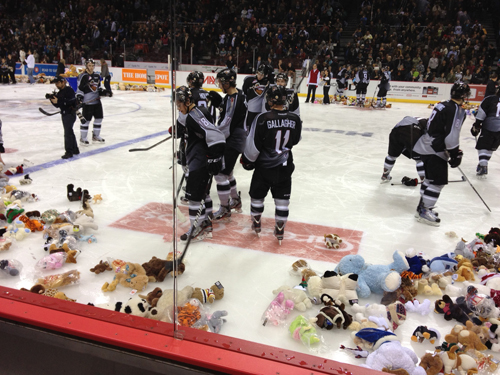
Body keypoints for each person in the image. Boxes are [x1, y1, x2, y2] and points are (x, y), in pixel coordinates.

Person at [241, 85, 302, 244]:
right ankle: (280, 228)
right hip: (284, 167)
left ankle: (256, 223)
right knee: (282, 199)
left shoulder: (262, 118)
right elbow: (296, 140)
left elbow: (253, 145)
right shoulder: (294, 118)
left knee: (257, 195)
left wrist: (247, 160)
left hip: (264, 167)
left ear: (270, 100)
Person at [413, 82, 470, 226]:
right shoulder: (456, 110)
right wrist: (455, 153)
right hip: (435, 149)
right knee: (438, 182)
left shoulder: (443, 104)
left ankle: (422, 206)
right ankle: (425, 210)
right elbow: (451, 135)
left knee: (429, 180)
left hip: (425, 145)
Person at [173, 86, 225, 242]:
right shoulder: (195, 112)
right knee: (203, 194)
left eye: (179, 104)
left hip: (200, 162)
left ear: (187, 101)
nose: (177, 107)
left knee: (195, 197)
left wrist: (214, 158)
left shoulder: (194, 116)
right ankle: (206, 222)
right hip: (197, 159)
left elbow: (217, 136)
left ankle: (197, 226)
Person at [211, 69, 247, 222]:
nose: (219, 84)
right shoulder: (237, 95)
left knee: (220, 174)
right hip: (237, 139)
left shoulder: (233, 99)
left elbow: (226, 124)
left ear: (227, 82)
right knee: (229, 172)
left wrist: (213, 137)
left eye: (220, 82)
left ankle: (225, 208)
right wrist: (220, 105)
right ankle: (235, 201)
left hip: (232, 140)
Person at [381, 116, 427, 183]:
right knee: (420, 159)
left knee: (392, 156)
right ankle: (425, 181)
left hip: (395, 131)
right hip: (410, 130)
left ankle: (385, 175)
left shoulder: (418, 119)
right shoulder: (427, 123)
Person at [76, 58, 111, 145]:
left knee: (99, 118)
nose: (91, 67)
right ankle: (83, 137)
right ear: (86, 66)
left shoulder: (96, 76)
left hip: (97, 102)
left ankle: (96, 136)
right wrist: (80, 97)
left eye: (92, 66)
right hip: (87, 103)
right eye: (89, 66)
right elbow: (79, 89)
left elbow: (98, 88)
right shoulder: (83, 76)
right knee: (86, 120)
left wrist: (104, 92)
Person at [471, 84, 500, 178]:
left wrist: (477, 124)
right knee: (491, 147)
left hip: (489, 126)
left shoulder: (490, 99)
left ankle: (483, 165)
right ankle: (483, 164)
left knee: (483, 146)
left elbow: (481, 113)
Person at [48, 76, 80, 159]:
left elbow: (70, 101)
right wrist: (52, 100)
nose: (56, 85)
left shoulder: (69, 90)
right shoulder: (60, 92)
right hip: (65, 114)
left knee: (68, 133)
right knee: (69, 132)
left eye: (58, 83)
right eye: (55, 83)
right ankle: (75, 149)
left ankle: (69, 151)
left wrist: (59, 101)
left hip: (70, 114)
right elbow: (58, 105)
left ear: (63, 82)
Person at [242, 63, 273, 133]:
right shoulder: (249, 80)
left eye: (261, 75)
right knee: (249, 125)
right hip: (250, 108)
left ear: (265, 75)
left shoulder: (267, 82)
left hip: (260, 109)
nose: (259, 76)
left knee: (258, 127)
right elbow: (244, 91)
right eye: (258, 73)